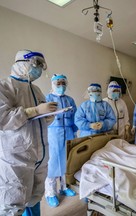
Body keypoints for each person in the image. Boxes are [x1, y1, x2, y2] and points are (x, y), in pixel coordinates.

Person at [0, 50, 58, 215]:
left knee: (34, 198)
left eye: (41, 65)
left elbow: (41, 119)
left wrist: (49, 116)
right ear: (21, 63)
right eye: (35, 64)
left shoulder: (37, 90)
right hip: (17, 159)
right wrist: (34, 110)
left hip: (39, 157)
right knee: (13, 203)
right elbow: (3, 118)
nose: (38, 69)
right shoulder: (5, 87)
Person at [45, 74, 78, 208]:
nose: (61, 86)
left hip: (69, 132)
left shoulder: (70, 99)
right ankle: (50, 193)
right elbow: (44, 117)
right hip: (54, 132)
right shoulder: (47, 98)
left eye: (63, 83)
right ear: (53, 84)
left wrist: (75, 131)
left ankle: (64, 187)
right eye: (58, 83)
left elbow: (75, 116)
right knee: (53, 163)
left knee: (66, 161)